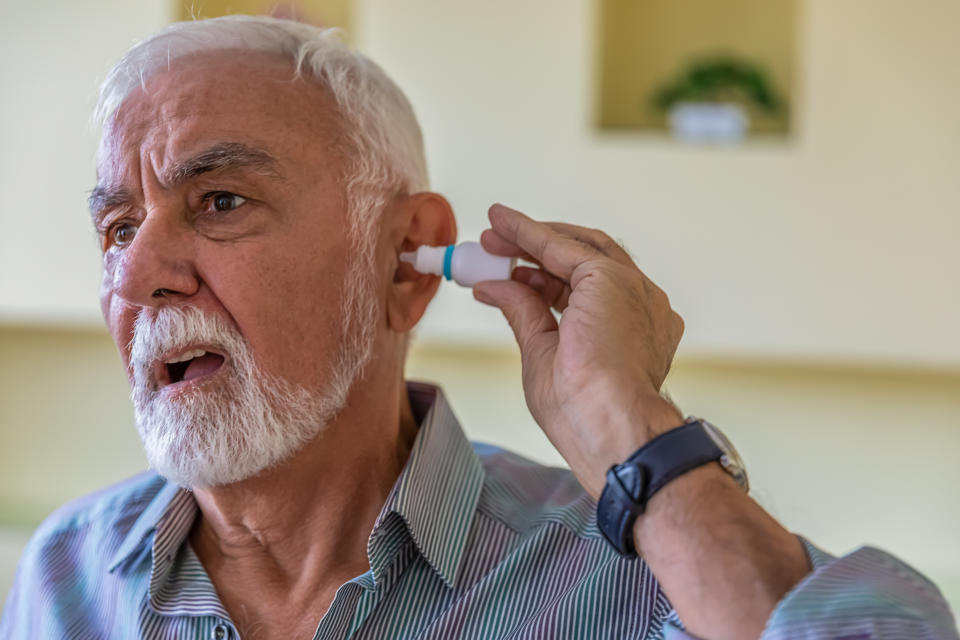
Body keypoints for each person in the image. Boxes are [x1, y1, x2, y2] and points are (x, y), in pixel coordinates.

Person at [1, 15, 956, 640]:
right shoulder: (61, 576)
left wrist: (625, 424)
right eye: (117, 227)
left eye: (218, 200)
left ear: (405, 258)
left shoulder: (631, 586)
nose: (137, 275)